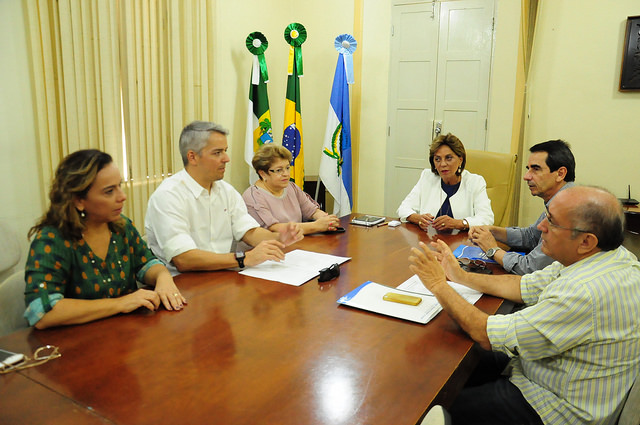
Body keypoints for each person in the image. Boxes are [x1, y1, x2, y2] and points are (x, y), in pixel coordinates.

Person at [408, 185, 640, 425]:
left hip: (553, 406)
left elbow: (485, 332)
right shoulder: (610, 256)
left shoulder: (583, 292)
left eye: (551, 222)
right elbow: (524, 286)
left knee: (434, 407)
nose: (541, 228)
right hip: (549, 372)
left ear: (586, 241)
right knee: (451, 355)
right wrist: (458, 276)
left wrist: (438, 285)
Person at [24, 150, 186, 330]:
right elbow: (42, 313)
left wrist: (163, 277)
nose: (122, 196)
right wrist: (120, 303)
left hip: (124, 334)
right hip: (76, 343)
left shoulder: (121, 226)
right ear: (79, 201)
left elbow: (146, 264)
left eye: (119, 186)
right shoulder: (51, 241)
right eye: (109, 191)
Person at [145, 121, 303, 275]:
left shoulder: (226, 191)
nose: (226, 158)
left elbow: (249, 232)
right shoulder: (168, 196)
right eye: (217, 153)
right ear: (192, 157)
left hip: (224, 276)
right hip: (184, 285)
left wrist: (279, 237)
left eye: (225, 151)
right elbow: (184, 259)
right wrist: (243, 259)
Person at [468, 139, 575, 274]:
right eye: (528, 169)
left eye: (536, 169)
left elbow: (530, 267)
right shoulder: (562, 198)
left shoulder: (567, 210)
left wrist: (492, 249)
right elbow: (532, 236)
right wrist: (493, 231)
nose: (526, 176)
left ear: (560, 173)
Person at [396, 133, 493, 232]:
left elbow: (487, 218)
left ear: (460, 160)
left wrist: (458, 223)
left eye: (448, 158)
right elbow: (403, 208)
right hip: (429, 241)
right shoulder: (427, 177)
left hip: (462, 243)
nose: (442, 164)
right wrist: (417, 218)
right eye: (437, 159)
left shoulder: (475, 182)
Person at [242, 144, 340, 235]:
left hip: (294, 245)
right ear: (263, 173)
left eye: (287, 168)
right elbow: (274, 229)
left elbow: (312, 210)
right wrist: (316, 226)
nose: (286, 174)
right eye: (279, 170)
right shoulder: (254, 197)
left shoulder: (291, 187)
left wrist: (325, 219)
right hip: (264, 250)